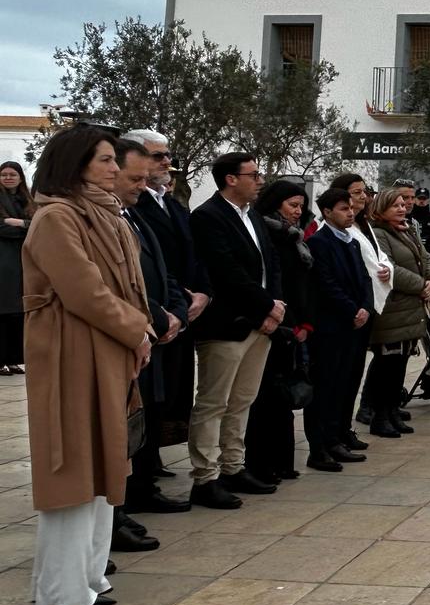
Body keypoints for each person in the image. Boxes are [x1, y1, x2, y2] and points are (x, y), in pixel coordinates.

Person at [22, 123, 152, 605]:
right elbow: (83, 291)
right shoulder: (57, 217)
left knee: (104, 464)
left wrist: (135, 333)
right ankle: (63, 590)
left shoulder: (107, 215)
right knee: (75, 468)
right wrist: (137, 330)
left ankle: (88, 578)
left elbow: (123, 286)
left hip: (106, 349)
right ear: (76, 164)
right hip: (72, 352)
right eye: (105, 160)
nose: (116, 169)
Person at [188, 152, 284, 509]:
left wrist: (276, 304)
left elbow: (270, 262)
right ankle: (205, 477)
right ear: (231, 178)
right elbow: (225, 272)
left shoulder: (253, 216)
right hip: (227, 325)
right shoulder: (208, 217)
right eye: (254, 174)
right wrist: (265, 306)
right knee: (214, 402)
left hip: (262, 322)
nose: (260, 180)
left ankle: (233, 466)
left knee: (242, 400)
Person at [111, 139, 189, 533]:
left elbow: (161, 268)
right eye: (135, 176)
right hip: (131, 333)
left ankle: (141, 489)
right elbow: (118, 286)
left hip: (156, 327)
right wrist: (158, 314)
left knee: (149, 415)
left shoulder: (135, 215)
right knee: (125, 423)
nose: (143, 184)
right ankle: (117, 507)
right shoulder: (106, 219)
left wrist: (175, 309)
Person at [127, 129, 210, 453]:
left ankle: (153, 463)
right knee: (147, 397)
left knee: (171, 394)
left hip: (181, 311)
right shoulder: (135, 208)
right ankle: (142, 474)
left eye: (167, 155)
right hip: (154, 315)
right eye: (157, 155)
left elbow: (195, 252)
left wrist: (203, 294)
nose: (166, 162)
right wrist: (168, 309)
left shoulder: (172, 205)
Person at [244, 180, 315, 485]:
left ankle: (282, 460)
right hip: (272, 321)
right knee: (264, 398)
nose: (298, 212)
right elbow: (274, 280)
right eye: (292, 206)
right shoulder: (266, 233)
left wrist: (304, 323)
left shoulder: (296, 238)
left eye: (301, 206)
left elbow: (304, 285)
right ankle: (261, 463)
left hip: (294, 324)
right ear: (276, 204)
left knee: (284, 396)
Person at [304, 188, 374, 471]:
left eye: (351, 208)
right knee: (325, 387)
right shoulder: (320, 242)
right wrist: (351, 309)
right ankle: (319, 447)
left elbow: (365, 278)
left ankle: (336, 439)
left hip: (354, 325)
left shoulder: (352, 241)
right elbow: (326, 283)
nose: (350, 212)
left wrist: (366, 307)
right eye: (344, 208)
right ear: (327, 212)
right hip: (332, 326)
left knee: (344, 385)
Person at [367, 187, 430, 437]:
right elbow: (390, 268)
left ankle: (393, 411)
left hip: (411, 310)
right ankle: (380, 416)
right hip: (392, 311)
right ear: (381, 210)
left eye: (403, 204)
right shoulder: (377, 234)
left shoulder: (407, 230)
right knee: (387, 366)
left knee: (399, 366)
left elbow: (426, 258)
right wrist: (421, 285)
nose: (402, 208)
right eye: (395, 205)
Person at [328, 172, 391, 433]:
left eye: (364, 191)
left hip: (368, 304)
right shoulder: (330, 233)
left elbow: (379, 258)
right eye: (356, 192)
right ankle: (333, 433)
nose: (363, 197)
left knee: (354, 374)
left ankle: (344, 430)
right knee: (338, 378)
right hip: (348, 311)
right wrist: (357, 307)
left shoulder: (365, 226)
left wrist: (387, 268)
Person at [0, 160, 32, 374]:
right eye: (4, 175)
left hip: (24, 262)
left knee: (17, 314)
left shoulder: (28, 200)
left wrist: (20, 223)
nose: (8, 178)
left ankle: (13, 358)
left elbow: (39, 225)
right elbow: (2, 228)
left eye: (13, 174)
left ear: (20, 177)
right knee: (2, 313)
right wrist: (24, 228)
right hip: (4, 262)